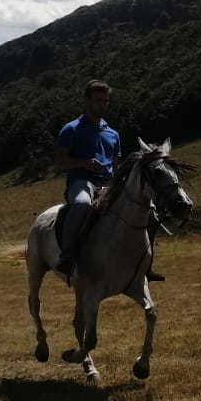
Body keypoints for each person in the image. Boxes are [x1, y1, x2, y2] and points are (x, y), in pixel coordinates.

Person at [53, 80, 120, 277]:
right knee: (82, 204)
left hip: (107, 183)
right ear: (87, 101)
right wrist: (83, 163)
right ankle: (67, 255)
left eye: (106, 101)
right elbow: (59, 162)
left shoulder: (113, 134)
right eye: (98, 101)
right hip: (81, 182)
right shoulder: (71, 129)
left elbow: (116, 165)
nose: (102, 105)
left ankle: (142, 260)